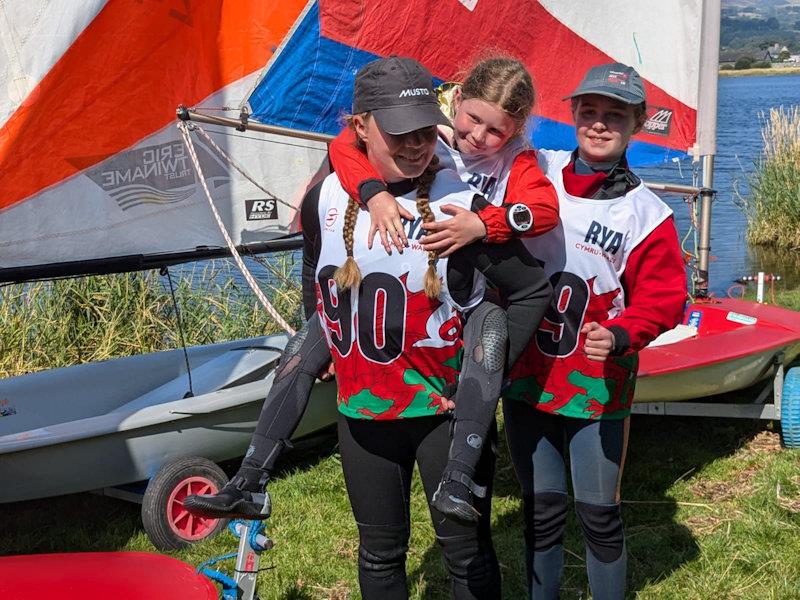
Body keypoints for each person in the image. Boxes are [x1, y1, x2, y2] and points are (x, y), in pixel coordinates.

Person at [186, 56, 552, 599]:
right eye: (401, 133)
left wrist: (483, 374)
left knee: (466, 554)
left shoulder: (457, 205)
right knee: (379, 556)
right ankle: (251, 476)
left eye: (427, 131)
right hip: (364, 415)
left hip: (441, 416)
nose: (417, 145)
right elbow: (317, 273)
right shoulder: (325, 196)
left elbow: (529, 291)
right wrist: (330, 340)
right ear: (360, 128)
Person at [327, 56, 560, 521]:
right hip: (413, 311)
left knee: (464, 541)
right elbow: (343, 147)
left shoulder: (518, 161)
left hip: (480, 296)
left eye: (496, 131)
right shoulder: (429, 131)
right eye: (473, 120)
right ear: (455, 99)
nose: (478, 137)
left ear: (514, 133)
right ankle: (256, 468)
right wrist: (374, 193)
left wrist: (484, 223)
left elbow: (544, 209)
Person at [497, 63, 687, 600]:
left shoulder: (646, 214)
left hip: (597, 380)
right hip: (527, 374)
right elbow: (465, 136)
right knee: (542, 509)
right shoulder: (536, 169)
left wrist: (624, 334)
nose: (599, 124)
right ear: (573, 114)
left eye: (614, 115)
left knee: (598, 514)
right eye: (589, 112)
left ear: (637, 123)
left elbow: (664, 298)